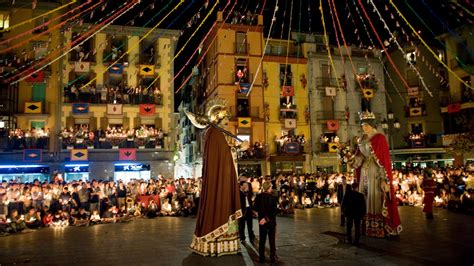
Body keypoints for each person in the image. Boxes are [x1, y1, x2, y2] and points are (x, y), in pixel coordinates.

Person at [188, 99, 247, 256]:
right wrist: (238, 147)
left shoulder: (214, 133)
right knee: (220, 202)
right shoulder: (215, 134)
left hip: (222, 179)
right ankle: (217, 240)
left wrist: (235, 148)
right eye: (225, 118)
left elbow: (224, 154)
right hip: (219, 181)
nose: (228, 121)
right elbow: (223, 157)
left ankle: (223, 242)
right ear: (219, 118)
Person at [349, 111, 402, 238]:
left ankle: (383, 228)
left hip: (375, 172)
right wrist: (351, 160)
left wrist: (384, 179)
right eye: (362, 125)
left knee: (376, 197)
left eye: (366, 125)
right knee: (365, 197)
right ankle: (367, 227)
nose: (364, 127)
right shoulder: (361, 139)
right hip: (364, 173)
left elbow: (383, 160)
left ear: (372, 125)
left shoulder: (379, 138)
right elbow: (359, 157)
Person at [254, 181, 278, 263]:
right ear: (269, 187)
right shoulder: (273, 197)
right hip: (271, 221)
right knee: (272, 240)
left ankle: (261, 258)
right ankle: (272, 258)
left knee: (262, 240)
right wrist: (267, 218)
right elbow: (274, 211)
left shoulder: (258, 197)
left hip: (261, 221)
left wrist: (262, 217)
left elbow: (255, 209)